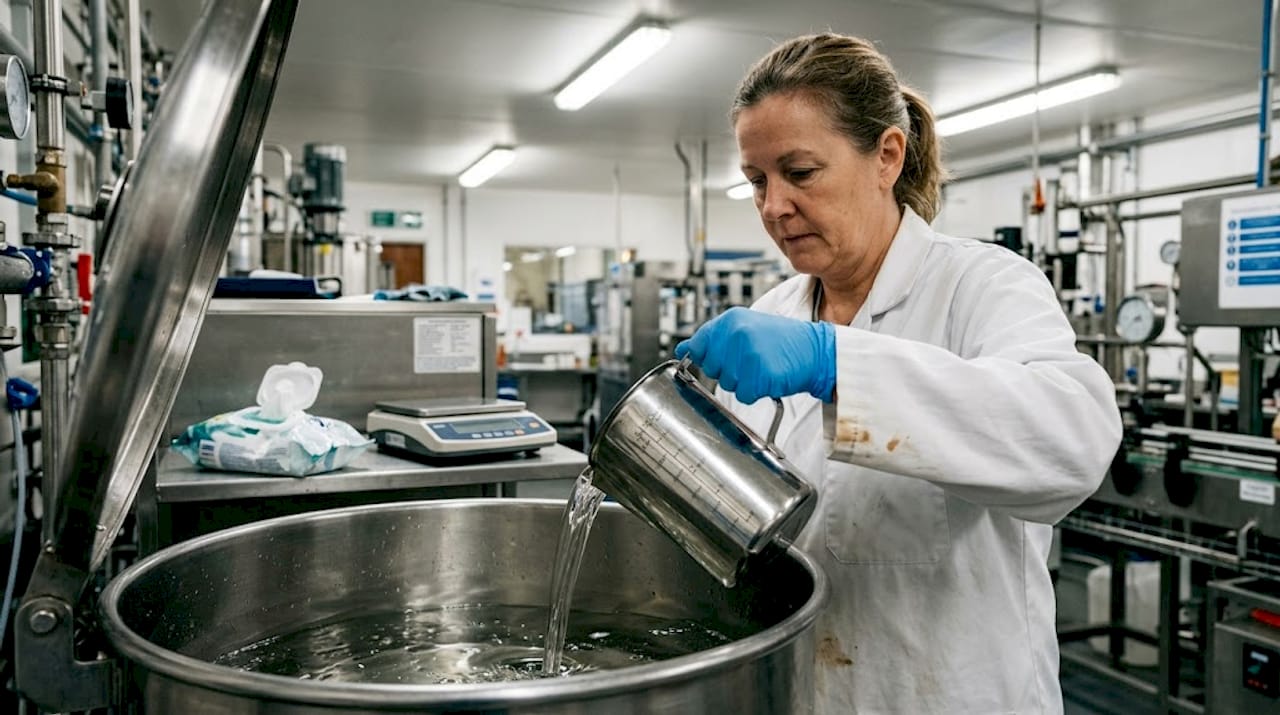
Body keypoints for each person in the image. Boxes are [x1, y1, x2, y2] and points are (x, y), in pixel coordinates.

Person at [675, 33, 1121, 714]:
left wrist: (837, 365)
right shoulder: (776, 310)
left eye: (800, 172)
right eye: (757, 181)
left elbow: (1073, 440)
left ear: (887, 156)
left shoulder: (982, 285)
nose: (773, 206)